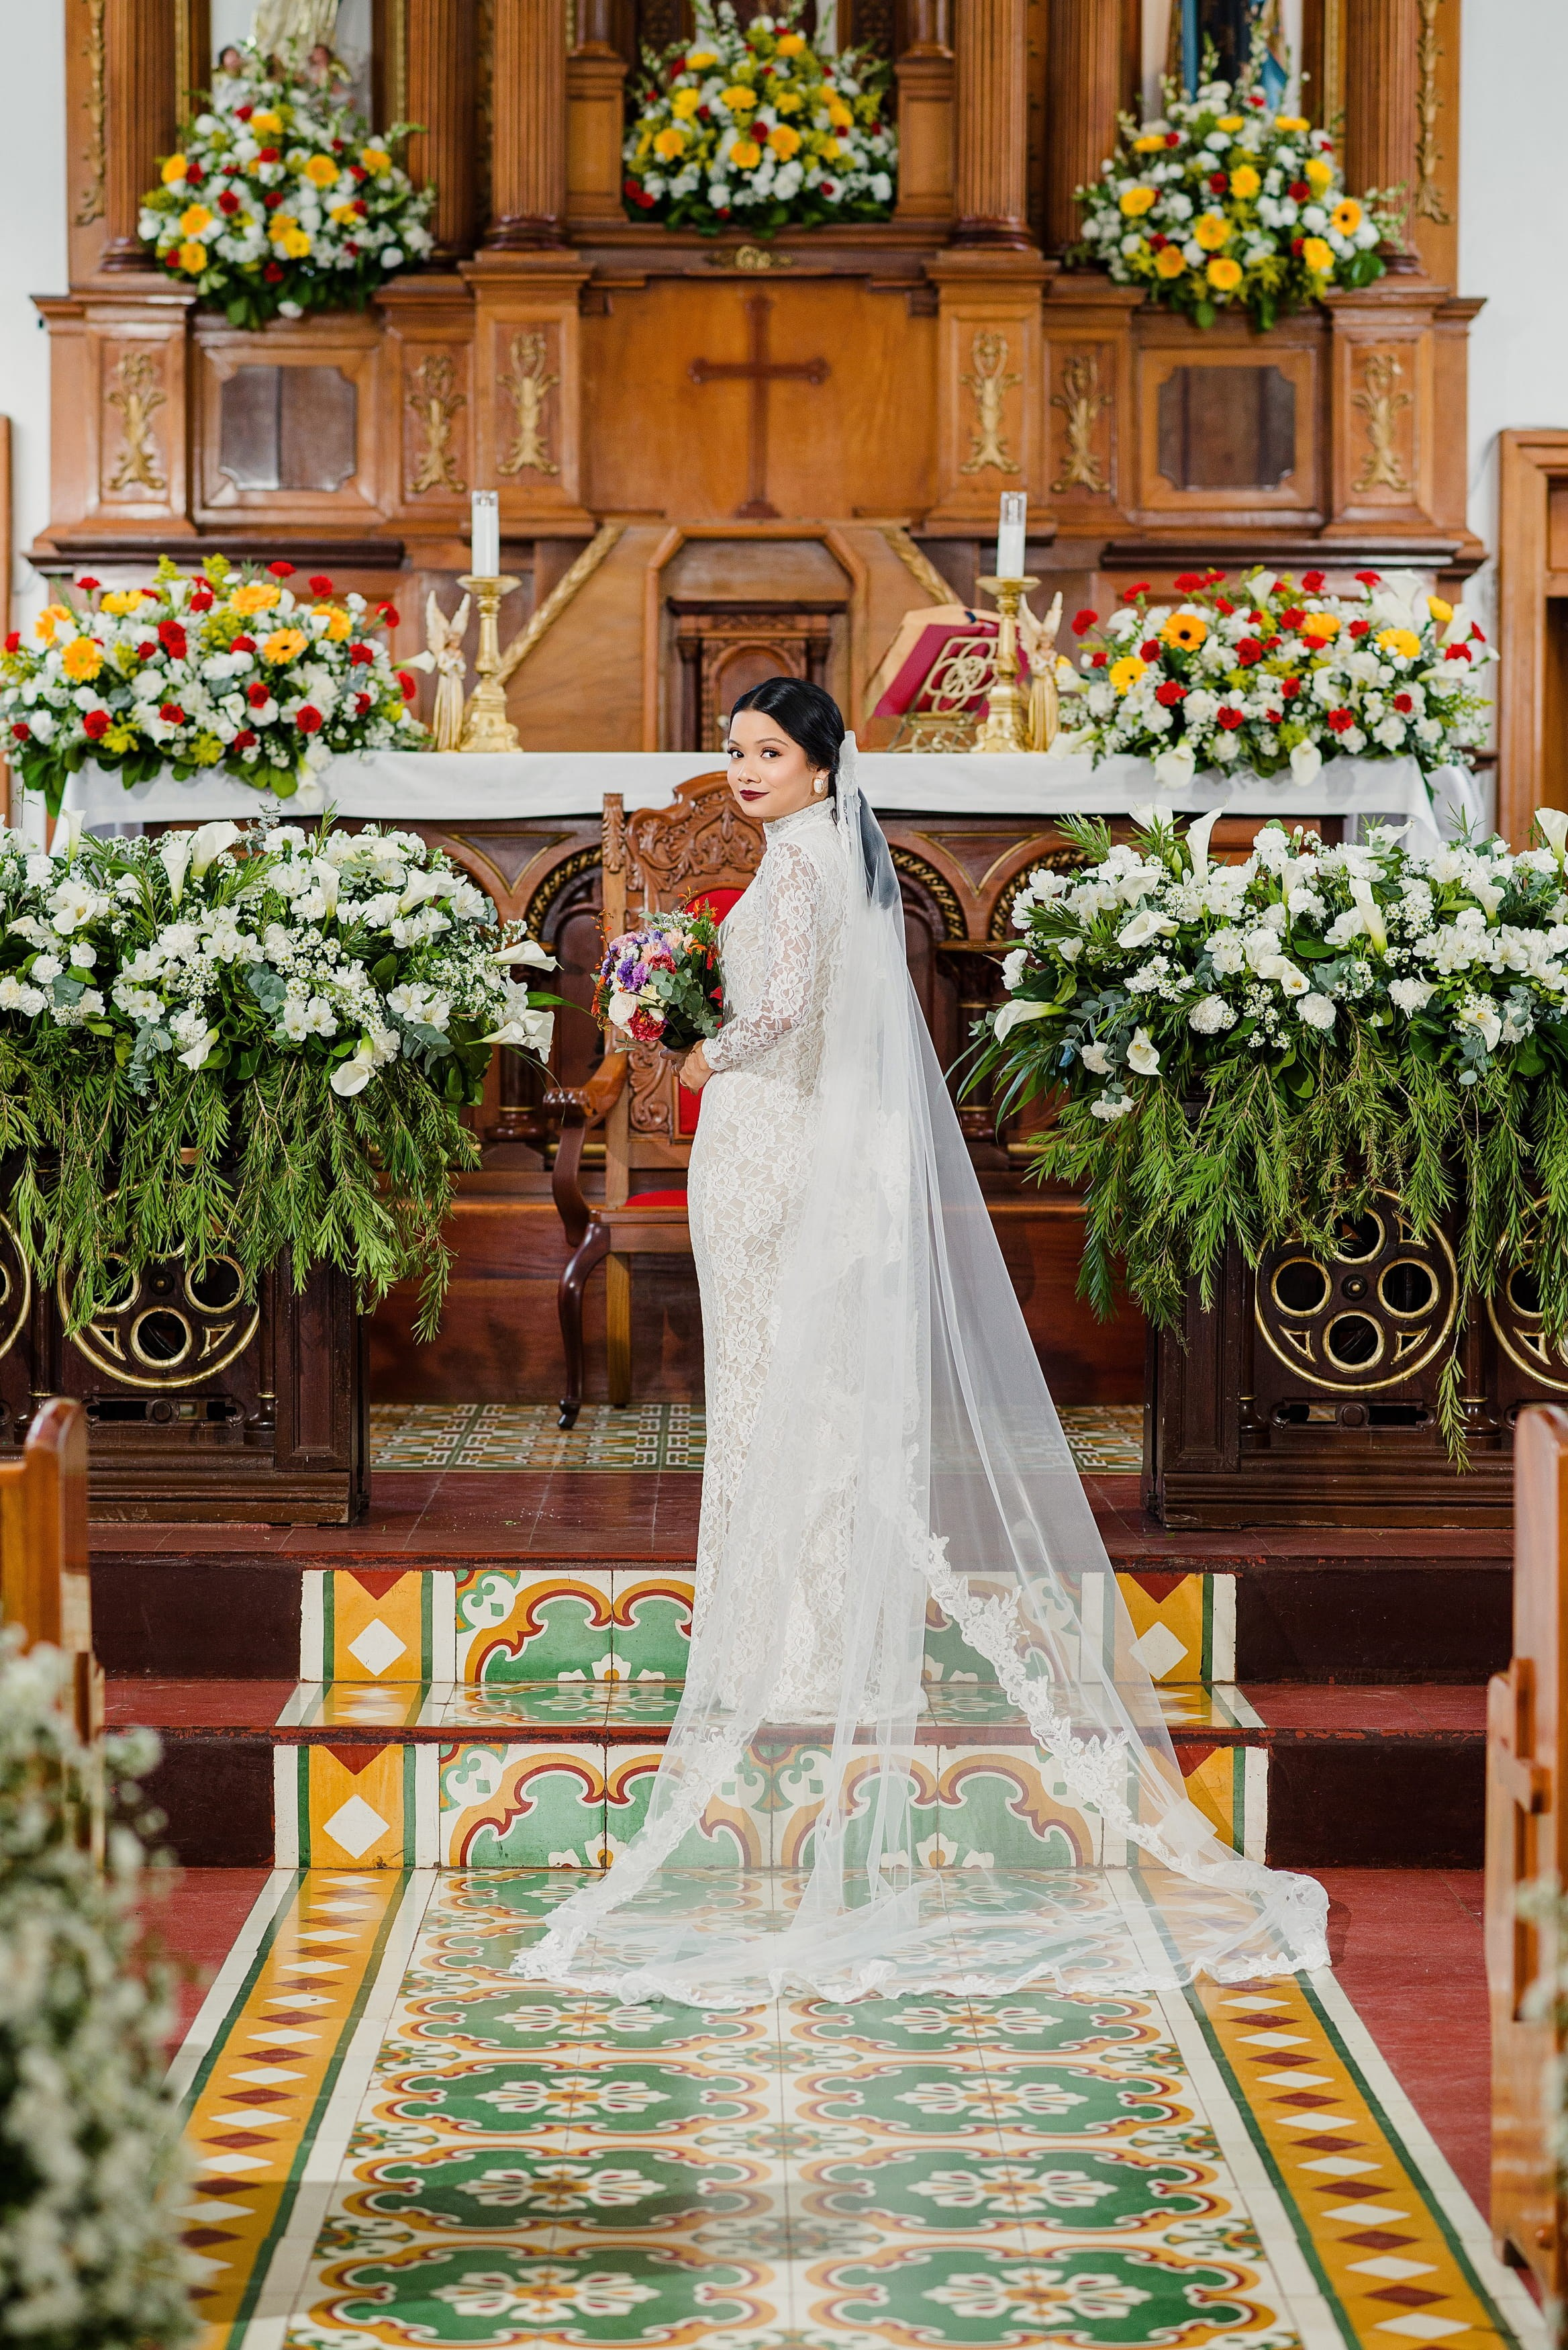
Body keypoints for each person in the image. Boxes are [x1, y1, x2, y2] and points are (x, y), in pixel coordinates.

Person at [513, 678, 1328, 2006]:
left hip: (767, 1143)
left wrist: (687, 1036)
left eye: (767, 753)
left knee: (774, 1383)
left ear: (823, 762)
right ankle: (817, 1630)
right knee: (805, 1386)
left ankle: (787, 1639)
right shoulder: (849, 858)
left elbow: (774, 1013)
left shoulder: (795, 862)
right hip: (805, 1150)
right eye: (732, 752)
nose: (743, 771)